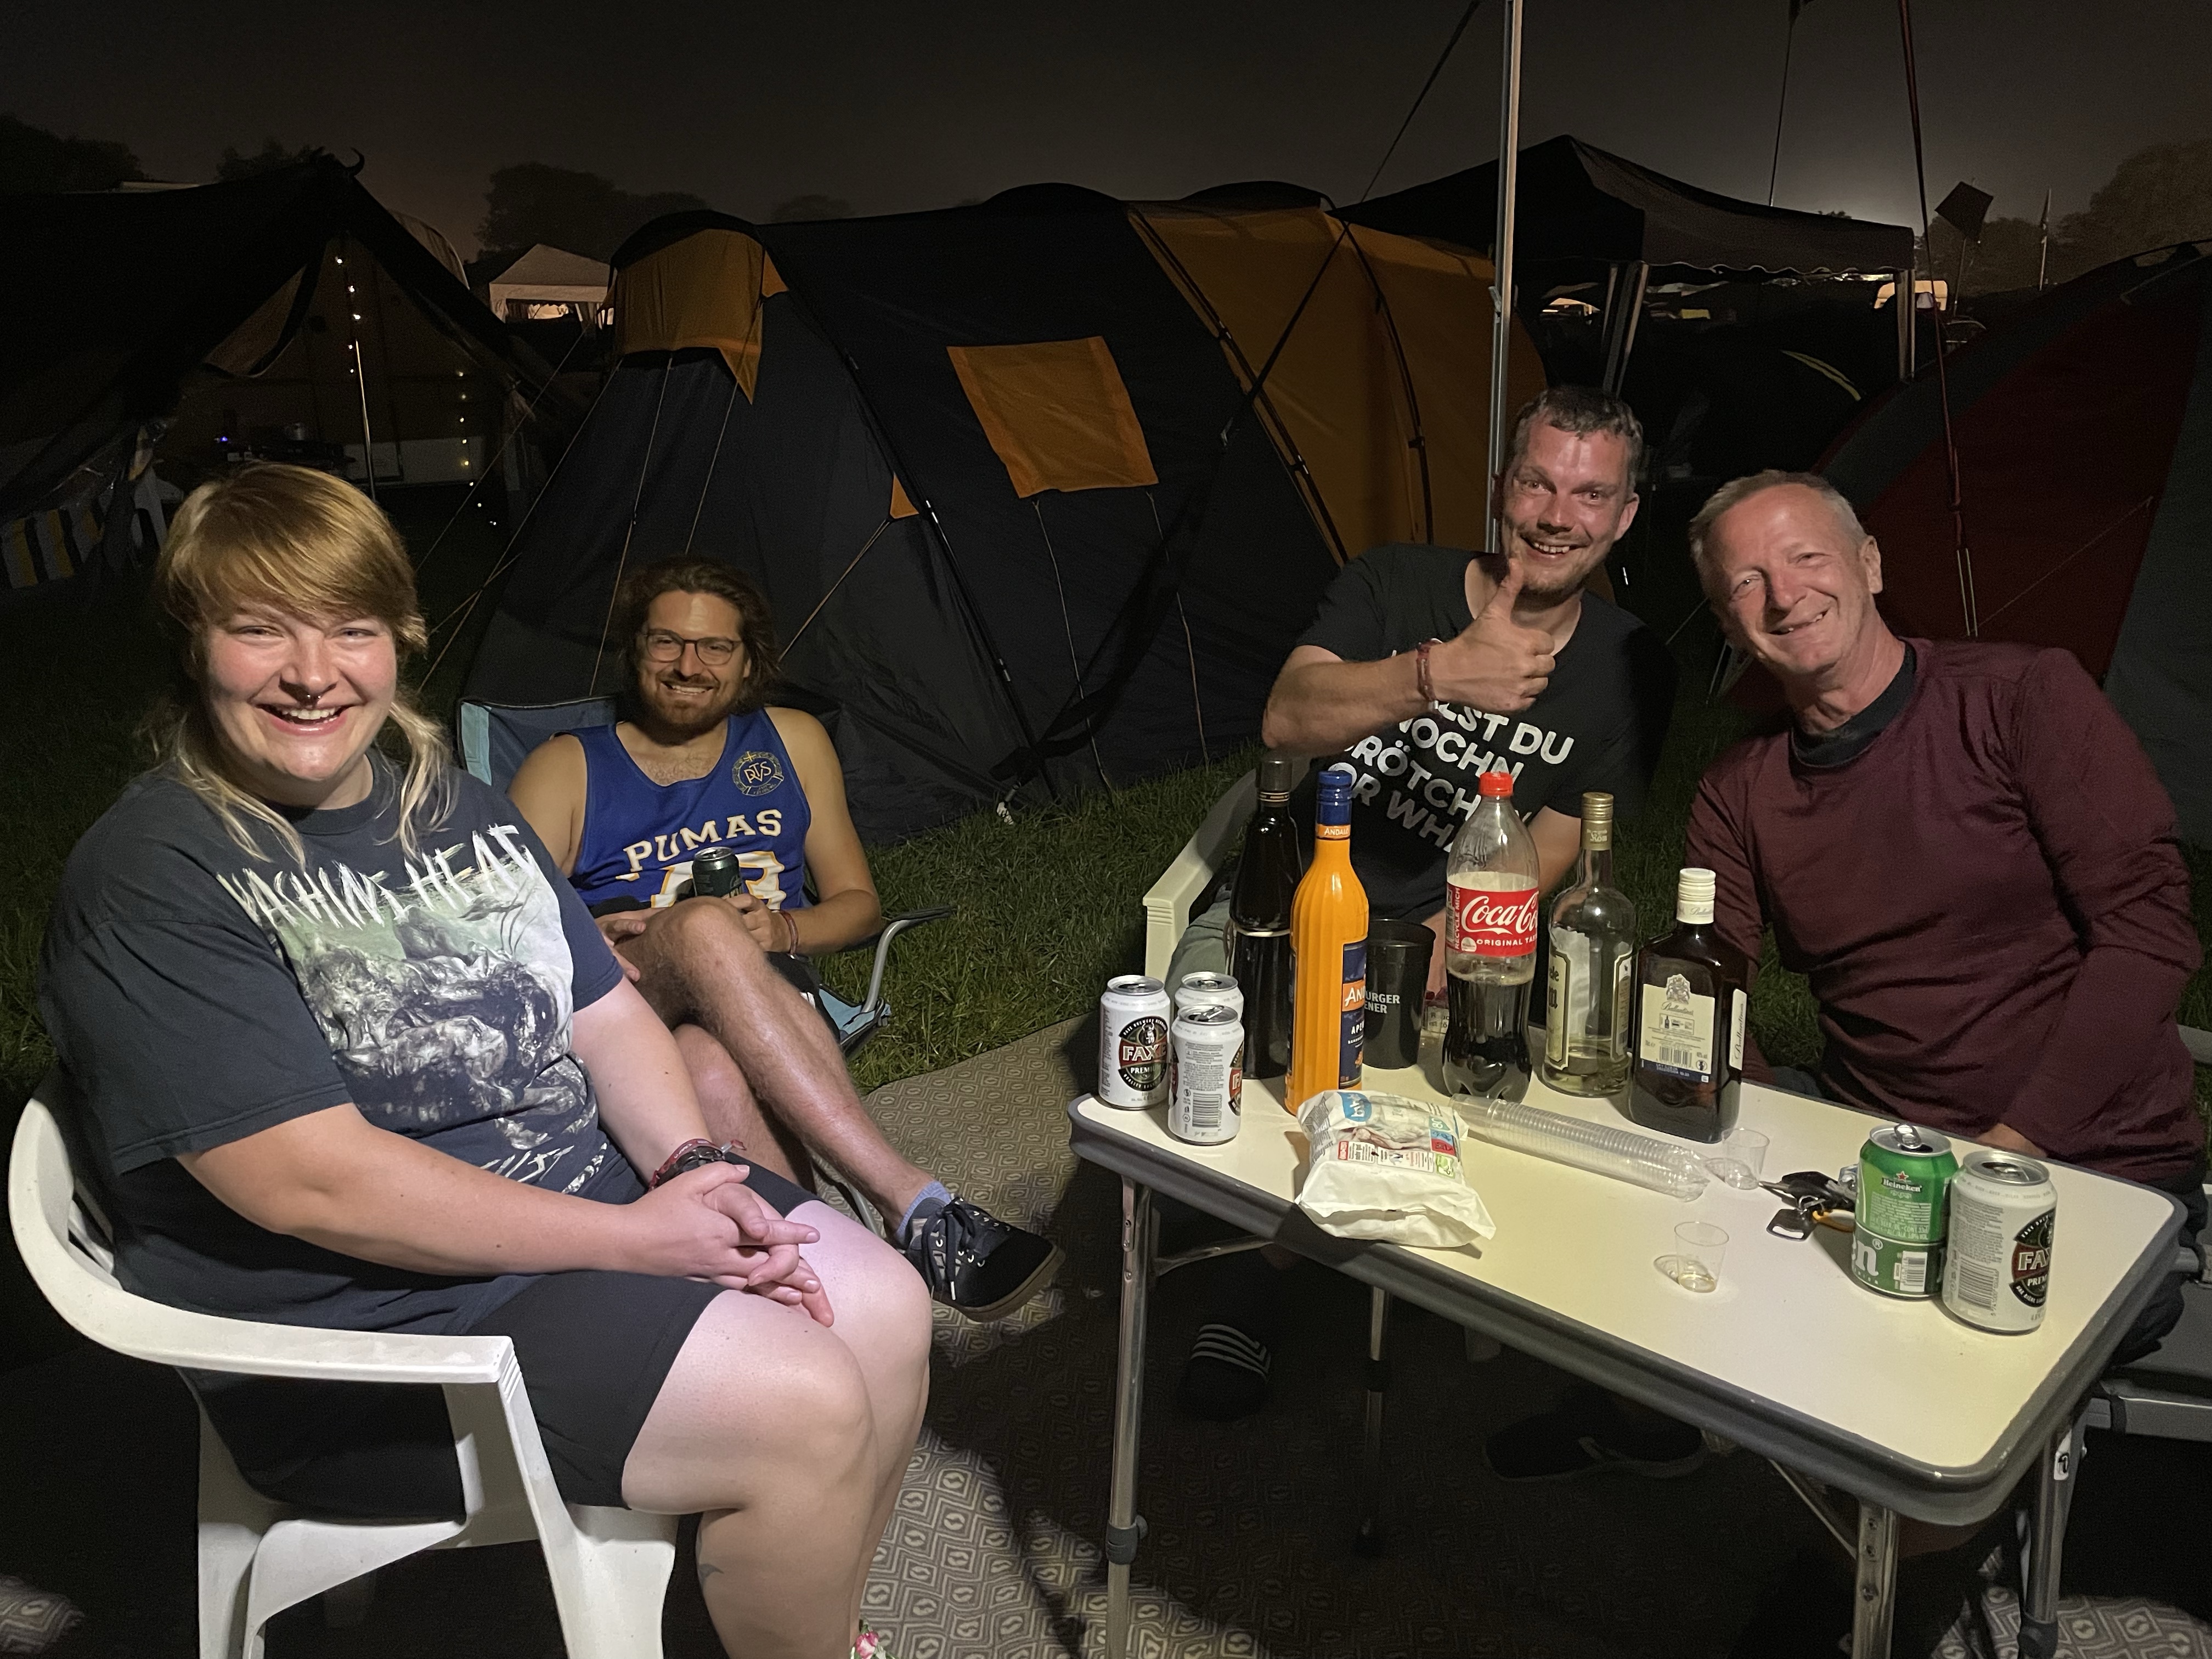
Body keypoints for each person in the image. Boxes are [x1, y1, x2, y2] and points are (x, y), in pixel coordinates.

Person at [37, 465, 931, 1659]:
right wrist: (638, 1240)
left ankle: (814, 1622)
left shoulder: (454, 807)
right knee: (807, 1405)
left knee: (887, 1308)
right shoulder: (158, 874)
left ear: (399, 639)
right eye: (261, 631)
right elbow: (311, 1184)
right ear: (193, 644)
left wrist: (691, 1168)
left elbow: (606, 1014)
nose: (312, 672)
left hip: (581, 1216)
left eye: (350, 629)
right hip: (375, 1328)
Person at [1171, 386, 1679, 1419]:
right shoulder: (1393, 583)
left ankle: (1314, 1262)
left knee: (1509, 1103)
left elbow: (1565, 831)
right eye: (1537, 483)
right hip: (1286, 913)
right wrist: (1440, 673)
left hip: (1449, 936)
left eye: (1590, 495)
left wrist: (1460, 926)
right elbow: (1286, 718)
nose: (1557, 515)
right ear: (1500, 487)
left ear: (1626, 515)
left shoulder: (1632, 662)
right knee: (1203, 1089)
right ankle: (1252, 1266)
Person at [507, 557, 1060, 1322]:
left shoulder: (790, 743)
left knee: (709, 1068)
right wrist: (587, 934)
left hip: (765, 995)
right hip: (630, 996)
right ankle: (913, 1204)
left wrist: (785, 927)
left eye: (715, 647)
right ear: (636, 650)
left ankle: (820, 1287)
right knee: (703, 924)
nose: (688, 665)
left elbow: (859, 907)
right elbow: (505, 934)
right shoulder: (566, 768)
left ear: (749, 663)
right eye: (666, 642)